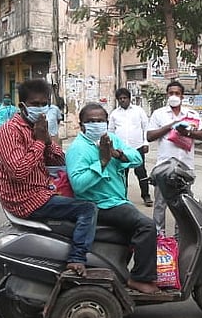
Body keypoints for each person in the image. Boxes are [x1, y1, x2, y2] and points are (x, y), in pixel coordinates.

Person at [0, 78, 96, 275]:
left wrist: (46, 142)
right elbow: (19, 171)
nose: (40, 108)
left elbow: (59, 161)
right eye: (35, 104)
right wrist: (40, 142)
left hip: (42, 191)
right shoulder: (9, 132)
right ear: (22, 105)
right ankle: (77, 258)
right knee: (87, 209)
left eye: (44, 104)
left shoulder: (36, 127)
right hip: (25, 199)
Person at [66, 102, 161, 294]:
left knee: (132, 229)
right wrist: (101, 163)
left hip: (117, 201)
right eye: (91, 121)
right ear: (82, 125)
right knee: (147, 226)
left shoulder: (111, 140)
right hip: (100, 205)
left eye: (100, 121)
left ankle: (118, 270)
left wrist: (117, 155)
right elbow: (78, 184)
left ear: (106, 123)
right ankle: (140, 278)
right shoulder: (78, 148)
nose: (96, 124)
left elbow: (136, 158)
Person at [146, 80, 202, 233]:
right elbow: (150, 136)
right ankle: (159, 235)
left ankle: (181, 235)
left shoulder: (191, 114)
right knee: (160, 203)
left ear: (182, 96)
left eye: (177, 93)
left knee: (184, 203)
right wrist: (169, 127)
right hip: (164, 166)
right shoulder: (158, 114)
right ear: (167, 95)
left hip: (185, 166)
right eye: (171, 93)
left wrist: (187, 132)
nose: (174, 96)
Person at [108, 87, 152, 206]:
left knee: (141, 171)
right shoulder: (114, 114)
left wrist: (145, 143)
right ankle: (123, 197)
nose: (123, 100)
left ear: (129, 98)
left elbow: (145, 127)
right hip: (121, 150)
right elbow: (111, 132)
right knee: (122, 174)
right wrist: (113, 149)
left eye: (125, 98)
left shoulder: (138, 111)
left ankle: (146, 196)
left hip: (137, 147)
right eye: (120, 99)